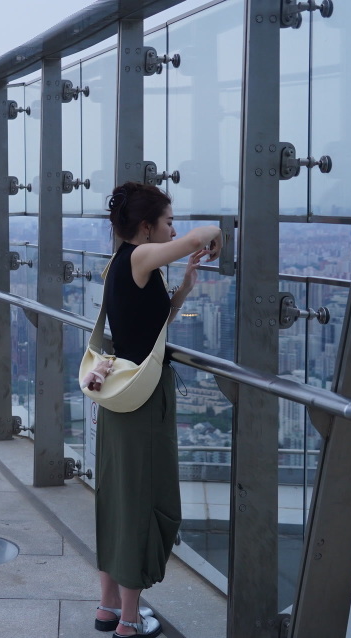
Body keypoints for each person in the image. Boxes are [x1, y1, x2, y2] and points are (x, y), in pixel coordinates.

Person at [94, 182, 222, 637]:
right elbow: (198, 237)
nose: (175, 229)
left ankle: (108, 608)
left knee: (117, 498)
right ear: (146, 227)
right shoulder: (141, 255)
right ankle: (130, 621)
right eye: (169, 221)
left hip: (120, 392)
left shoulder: (119, 263)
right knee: (143, 500)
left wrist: (182, 290)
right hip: (144, 399)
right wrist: (217, 233)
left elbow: (145, 328)